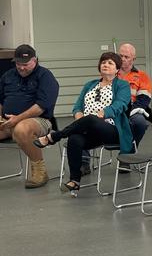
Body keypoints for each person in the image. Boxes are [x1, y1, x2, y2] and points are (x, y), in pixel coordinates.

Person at [33, 52, 133, 193]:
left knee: (92, 118)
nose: (105, 64)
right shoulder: (90, 85)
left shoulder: (122, 85)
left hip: (111, 129)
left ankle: (54, 137)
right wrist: (78, 115)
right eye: (103, 62)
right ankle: (75, 180)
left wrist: (104, 113)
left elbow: (121, 104)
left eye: (110, 63)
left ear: (117, 69)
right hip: (88, 128)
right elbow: (78, 106)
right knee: (74, 138)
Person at [0, 44, 59, 188]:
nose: (21, 67)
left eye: (25, 64)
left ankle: (40, 171)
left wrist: (17, 119)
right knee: (17, 127)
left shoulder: (45, 76)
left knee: (21, 129)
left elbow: (40, 107)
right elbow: (0, 100)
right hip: (7, 122)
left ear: (35, 60)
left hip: (39, 121)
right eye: (18, 64)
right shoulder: (8, 76)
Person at [117, 43, 152, 145]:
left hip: (134, 110)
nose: (122, 59)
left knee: (139, 122)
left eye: (126, 57)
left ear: (133, 59)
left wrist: (128, 112)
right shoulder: (111, 74)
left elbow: (143, 100)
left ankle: (131, 148)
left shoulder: (142, 76)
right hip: (114, 109)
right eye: (121, 56)